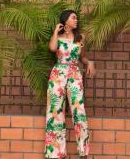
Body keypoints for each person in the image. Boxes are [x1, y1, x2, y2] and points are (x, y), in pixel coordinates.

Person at [44, 9, 95, 158]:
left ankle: (83, 152)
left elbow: (83, 58)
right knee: (55, 111)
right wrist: (55, 31)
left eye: (76, 18)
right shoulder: (58, 38)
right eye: (73, 18)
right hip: (58, 74)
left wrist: (89, 62)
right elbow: (52, 48)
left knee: (79, 112)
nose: (76, 20)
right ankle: (56, 153)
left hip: (74, 74)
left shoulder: (80, 38)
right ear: (65, 21)